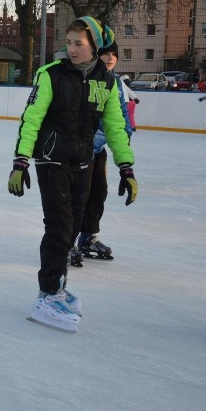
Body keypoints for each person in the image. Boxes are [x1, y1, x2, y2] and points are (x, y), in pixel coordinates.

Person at [8, 16, 137, 334]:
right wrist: (21, 160)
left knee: (74, 227)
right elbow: (31, 118)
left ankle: (56, 288)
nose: (72, 49)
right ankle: (47, 295)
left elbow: (116, 127)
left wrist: (126, 167)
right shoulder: (50, 75)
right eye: (68, 43)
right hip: (51, 159)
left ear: (94, 45)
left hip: (84, 162)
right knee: (59, 226)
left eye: (79, 43)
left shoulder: (106, 82)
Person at [69, 41, 133, 267]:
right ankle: (69, 241)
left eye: (114, 54)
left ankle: (88, 236)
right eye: (105, 54)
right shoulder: (82, 79)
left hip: (99, 151)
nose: (110, 58)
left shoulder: (115, 83)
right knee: (78, 197)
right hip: (79, 150)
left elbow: (122, 116)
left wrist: (124, 139)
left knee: (98, 194)